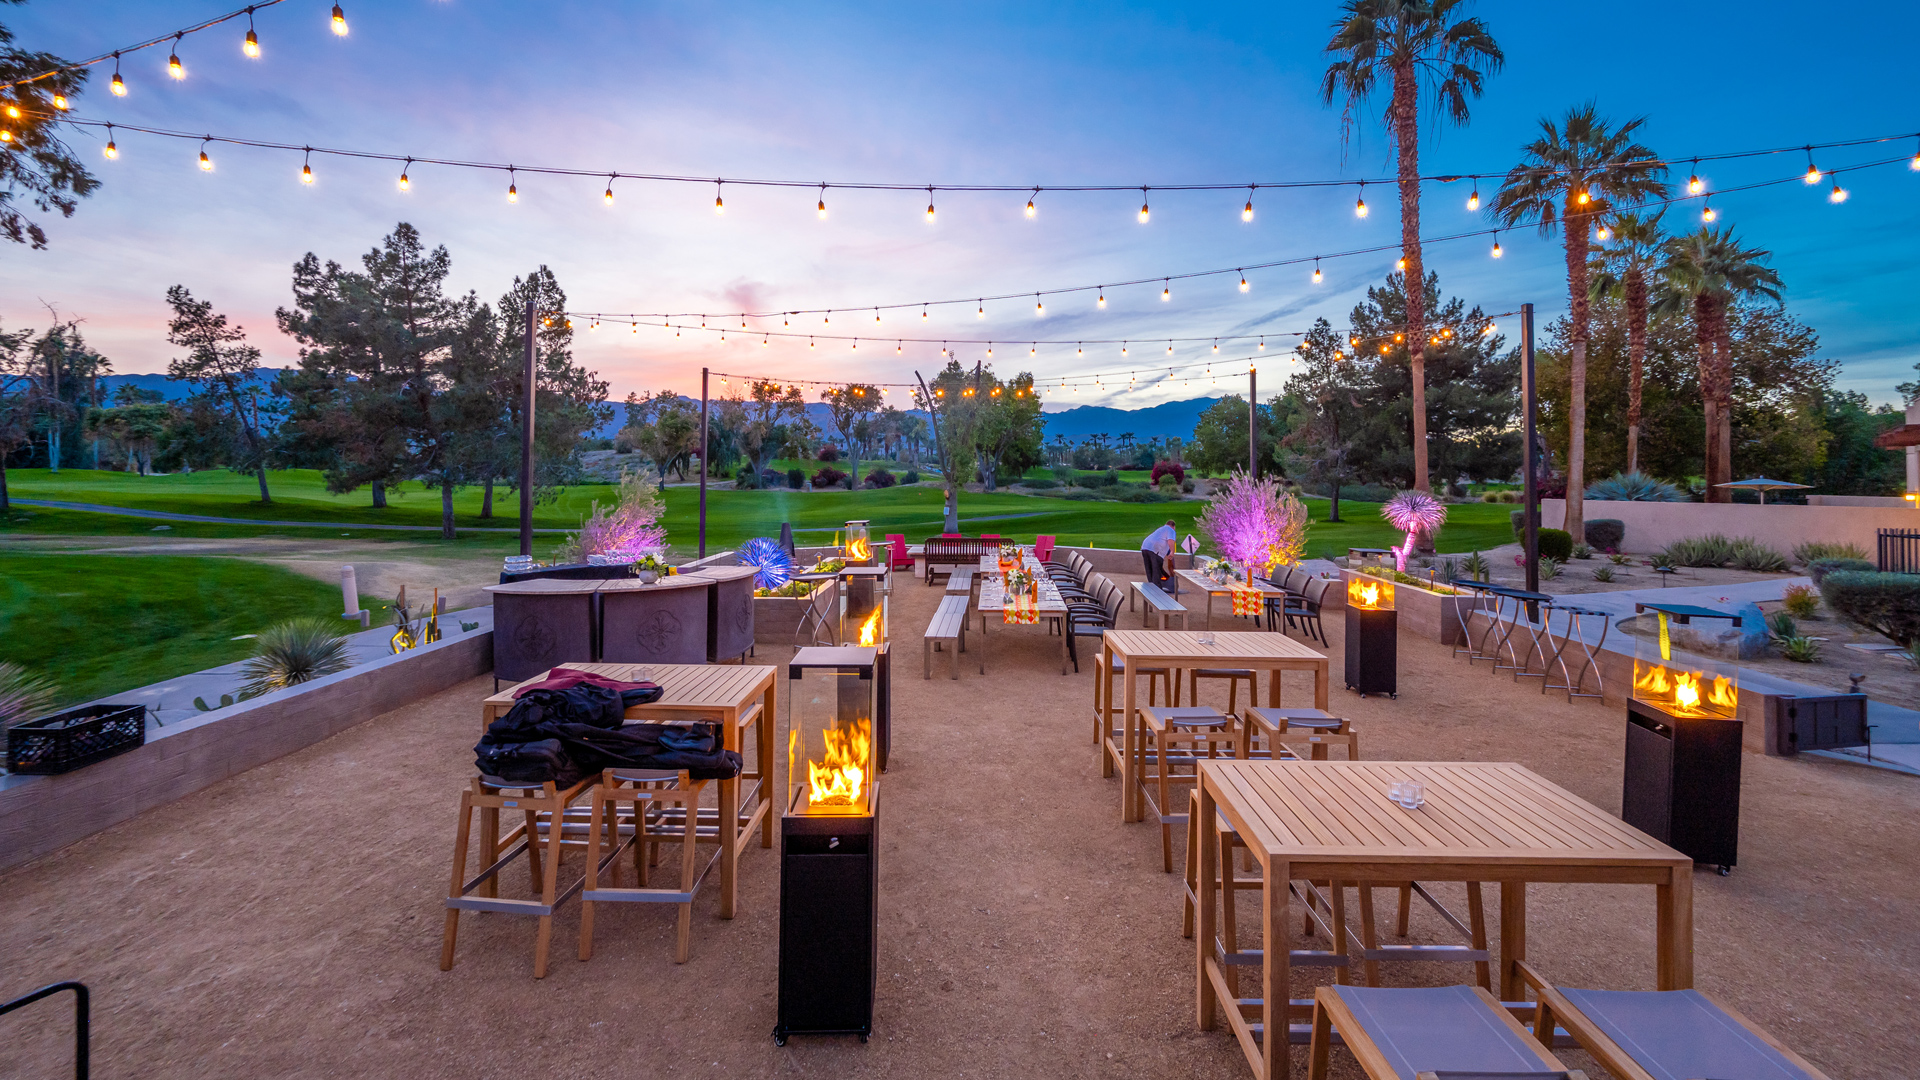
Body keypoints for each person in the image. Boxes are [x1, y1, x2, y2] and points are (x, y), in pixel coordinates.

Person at [1140, 519, 1177, 592]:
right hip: (1155, 550)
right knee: (1156, 571)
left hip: (1145, 547)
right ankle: (1157, 592)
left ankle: (1151, 589)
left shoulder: (1161, 529)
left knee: (1149, 570)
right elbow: (1170, 540)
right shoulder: (1171, 530)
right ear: (1173, 526)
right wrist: (1172, 552)